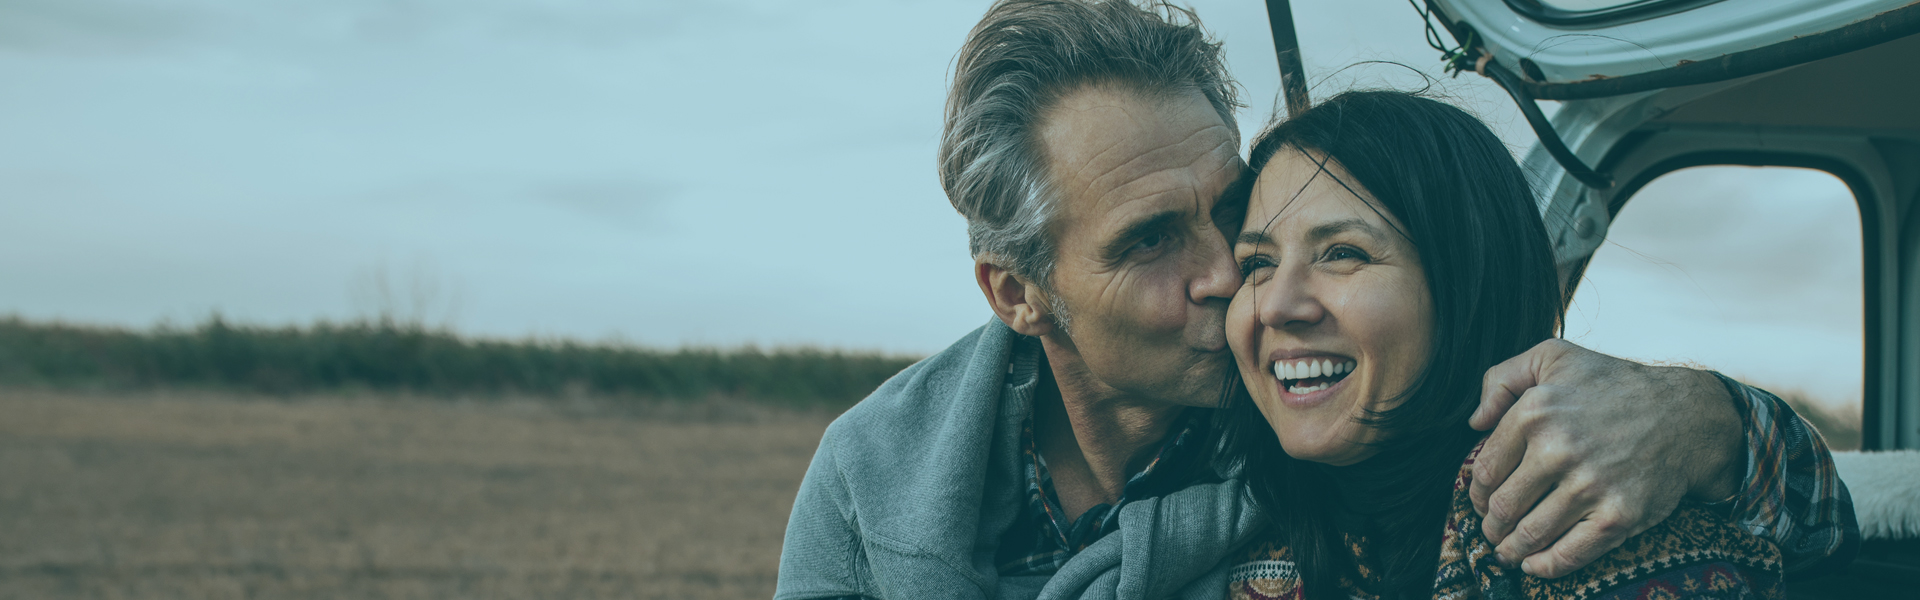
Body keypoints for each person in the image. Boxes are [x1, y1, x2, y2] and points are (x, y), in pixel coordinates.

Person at [774, 2, 1853, 599]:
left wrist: (1709, 419)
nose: (1232, 282)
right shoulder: (873, 480)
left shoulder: (1328, 432)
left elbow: (1805, 525)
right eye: (1151, 241)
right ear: (1019, 292)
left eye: (1228, 214)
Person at [1218, 90, 1852, 600]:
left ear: (1467, 287)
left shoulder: (1604, 529)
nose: (1276, 303)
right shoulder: (1224, 513)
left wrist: (1704, 419)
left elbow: (1826, 527)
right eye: (1256, 263)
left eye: (1343, 253)